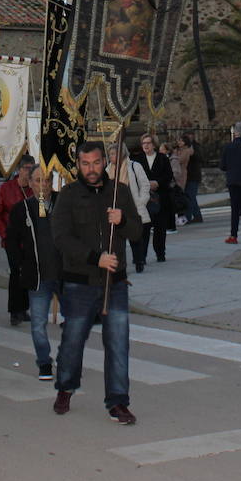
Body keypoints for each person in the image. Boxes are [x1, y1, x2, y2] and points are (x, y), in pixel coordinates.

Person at [50, 141, 144, 425]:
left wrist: (123, 218)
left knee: (118, 342)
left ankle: (117, 402)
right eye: (85, 163)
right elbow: (61, 238)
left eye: (96, 162)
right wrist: (95, 258)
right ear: (78, 164)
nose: (91, 169)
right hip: (80, 283)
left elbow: (137, 232)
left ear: (105, 162)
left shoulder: (120, 192)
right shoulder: (68, 195)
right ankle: (66, 386)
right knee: (73, 340)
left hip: (114, 282)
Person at [5, 166, 60, 380]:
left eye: (46, 180)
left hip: (64, 273)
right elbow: (11, 240)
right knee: (38, 324)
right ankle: (44, 363)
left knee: (75, 322)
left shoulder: (61, 203)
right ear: (30, 183)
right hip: (38, 277)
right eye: (38, 180)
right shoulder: (22, 209)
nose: (43, 185)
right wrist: (18, 265)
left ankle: (68, 359)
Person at [0, 156, 36, 326]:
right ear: (20, 169)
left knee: (28, 274)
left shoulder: (35, 188)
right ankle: (14, 311)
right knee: (17, 273)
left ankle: (23, 308)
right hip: (12, 240)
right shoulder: (6, 188)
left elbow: (41, 212)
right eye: (26, 168)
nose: (28, 172)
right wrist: (5, 234)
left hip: (31, 240)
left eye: (32, 168)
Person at [107, 142, 151, 271]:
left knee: (135, 236)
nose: (111, 156)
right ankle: (119, 264)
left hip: (132, 206)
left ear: (121, 153)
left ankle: (139, 261)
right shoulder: (108, 169)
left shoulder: (133, 166)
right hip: (116, 207)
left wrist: (141, 201)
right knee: (116, 239)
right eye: (110, 154)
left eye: (113, 153)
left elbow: (145, 184)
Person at [132, 134, 176, 261]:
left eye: (148, 143)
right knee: (144, 229)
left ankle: (160, 253)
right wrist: (145, 184)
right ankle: (142, 256)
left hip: (160, 197)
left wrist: (157, 182)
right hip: (144, 198)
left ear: (154, 144)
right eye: (143, 143)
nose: (145, 145)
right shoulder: (137, 160)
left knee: (160, 228)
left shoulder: (162, 158)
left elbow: (168, 175)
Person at [180, 132, 204, 224]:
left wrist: (192, 154)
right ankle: (196, 216)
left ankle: (190, 216)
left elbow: (200, 158)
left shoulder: (195, 147)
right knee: (190, 197)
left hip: (193, 175)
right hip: (188, 176)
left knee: (190, 197)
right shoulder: (184, 149)